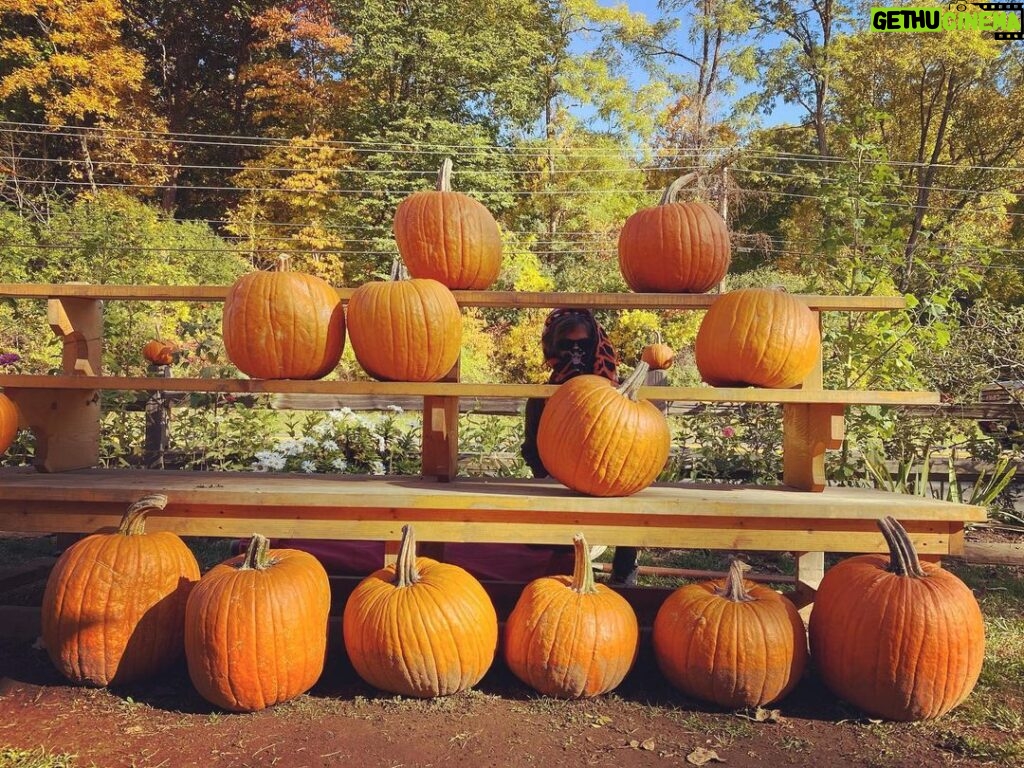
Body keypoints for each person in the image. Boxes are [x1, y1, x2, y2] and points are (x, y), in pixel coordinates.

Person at [521, 308, 640, 585]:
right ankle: (563, 565)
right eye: (566, 346)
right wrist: (554, 476)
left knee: (631, 496)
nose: (575, 354)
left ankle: (624, 569)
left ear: (596, 346)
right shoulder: (542, 397)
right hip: (558, 485)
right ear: (552, 348)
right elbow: (531, 449)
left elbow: (633, 447)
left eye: (583, 346)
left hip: (609, 484)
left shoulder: (616, 394)